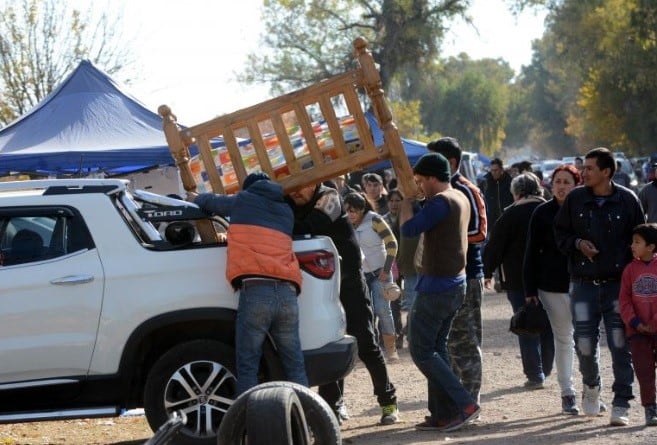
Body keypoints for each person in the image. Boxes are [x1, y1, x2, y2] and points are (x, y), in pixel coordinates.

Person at [287, 183, 399, 425]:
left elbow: (308, 227)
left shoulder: (329, 196)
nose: (295, 190)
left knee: (367, 343)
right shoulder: (289, 202)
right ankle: (332, 408)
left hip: (350, 284)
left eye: (299, 186)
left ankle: (388, 401)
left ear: (313, 182)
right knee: (329, 344)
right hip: (319, 287)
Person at [192, 172, 307, 395]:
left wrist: (194, 197)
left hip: (256, 290)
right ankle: (309, 419)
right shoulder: (286, 210)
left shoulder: (244, 200)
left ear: (247, 189)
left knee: (247, 366)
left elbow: (211, 202)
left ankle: (249, 423)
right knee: (295, 364)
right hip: (287, 292)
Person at [554, 147, 644, 426]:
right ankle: (591, 388)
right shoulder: (575, 200)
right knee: (583, 344)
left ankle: (621, 403)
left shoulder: (628, 200)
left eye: (590, 168)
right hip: (582, 286)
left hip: (618, 287)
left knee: (620, 345)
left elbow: (641, 242)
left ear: (606, 172)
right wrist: (578, 245)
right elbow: (560, 234)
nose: (583, 172)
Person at [400, 152, 480, 432]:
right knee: (436, 349)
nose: (419, 186)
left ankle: (464, 404)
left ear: (434, 178)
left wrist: (406, 203)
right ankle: (442, 413)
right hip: (453, 284)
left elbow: (410, 229)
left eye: (421, 180)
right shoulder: (458, 196)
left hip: (436, 287)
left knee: (422, 351)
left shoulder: (441, 201)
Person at [428, 137, 487, 404]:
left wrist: (445, 236)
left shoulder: (466, 190)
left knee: (464, 342)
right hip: (441, 280)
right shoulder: (437, 192)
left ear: (451, 162)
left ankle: (469, 403)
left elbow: (480, 233)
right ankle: (454, 403)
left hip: (467, 276)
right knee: (446, 344)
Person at [483, 172, 554, 390]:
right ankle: (547, 367)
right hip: (550, 278)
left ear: (517, 193)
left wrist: (486, 271)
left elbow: (495, 247)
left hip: (517, 279)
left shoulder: (509, 215)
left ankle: (535, 373)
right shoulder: (552, 211)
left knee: (526, 322)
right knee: (549, 323)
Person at [523, 164, 581, 414]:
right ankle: (568, 392)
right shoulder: (541, 213)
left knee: (587, 340)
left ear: (576, 184)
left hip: (584, 284)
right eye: (557, 181)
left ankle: (592, 388)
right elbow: (530, 252)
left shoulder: (584, 210)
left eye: (567, 181)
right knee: (564, 338)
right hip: (551, 287)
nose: (561, 186)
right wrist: (530, 289)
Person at [343, 192, 399, 361]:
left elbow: (392, 243)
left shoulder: (374, 219)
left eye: (354, 210)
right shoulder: (346, 224)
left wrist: (387, 269)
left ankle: (391, 349)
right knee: (366, 314)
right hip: (360, 275)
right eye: (348, 210)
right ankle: (373, 350)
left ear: (362, 209)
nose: (351, 214)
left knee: (383, 310)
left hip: (380, 272)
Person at [619, 223, 657, 427]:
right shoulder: (629, 270)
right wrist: (635, 322)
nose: (632, 246)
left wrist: (653, 322)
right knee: (644, 370)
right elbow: (624, 300)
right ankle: (650, 408)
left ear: (651, 247)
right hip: (637, 331)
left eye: (637, 242)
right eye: (632, 242)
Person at [480, 158, 514, 229]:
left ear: (501, 170)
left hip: (507, 222)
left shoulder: (510, 183)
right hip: (490, 224)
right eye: (492, 170)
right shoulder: (485, 183)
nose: (493, 173)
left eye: (496, 170)